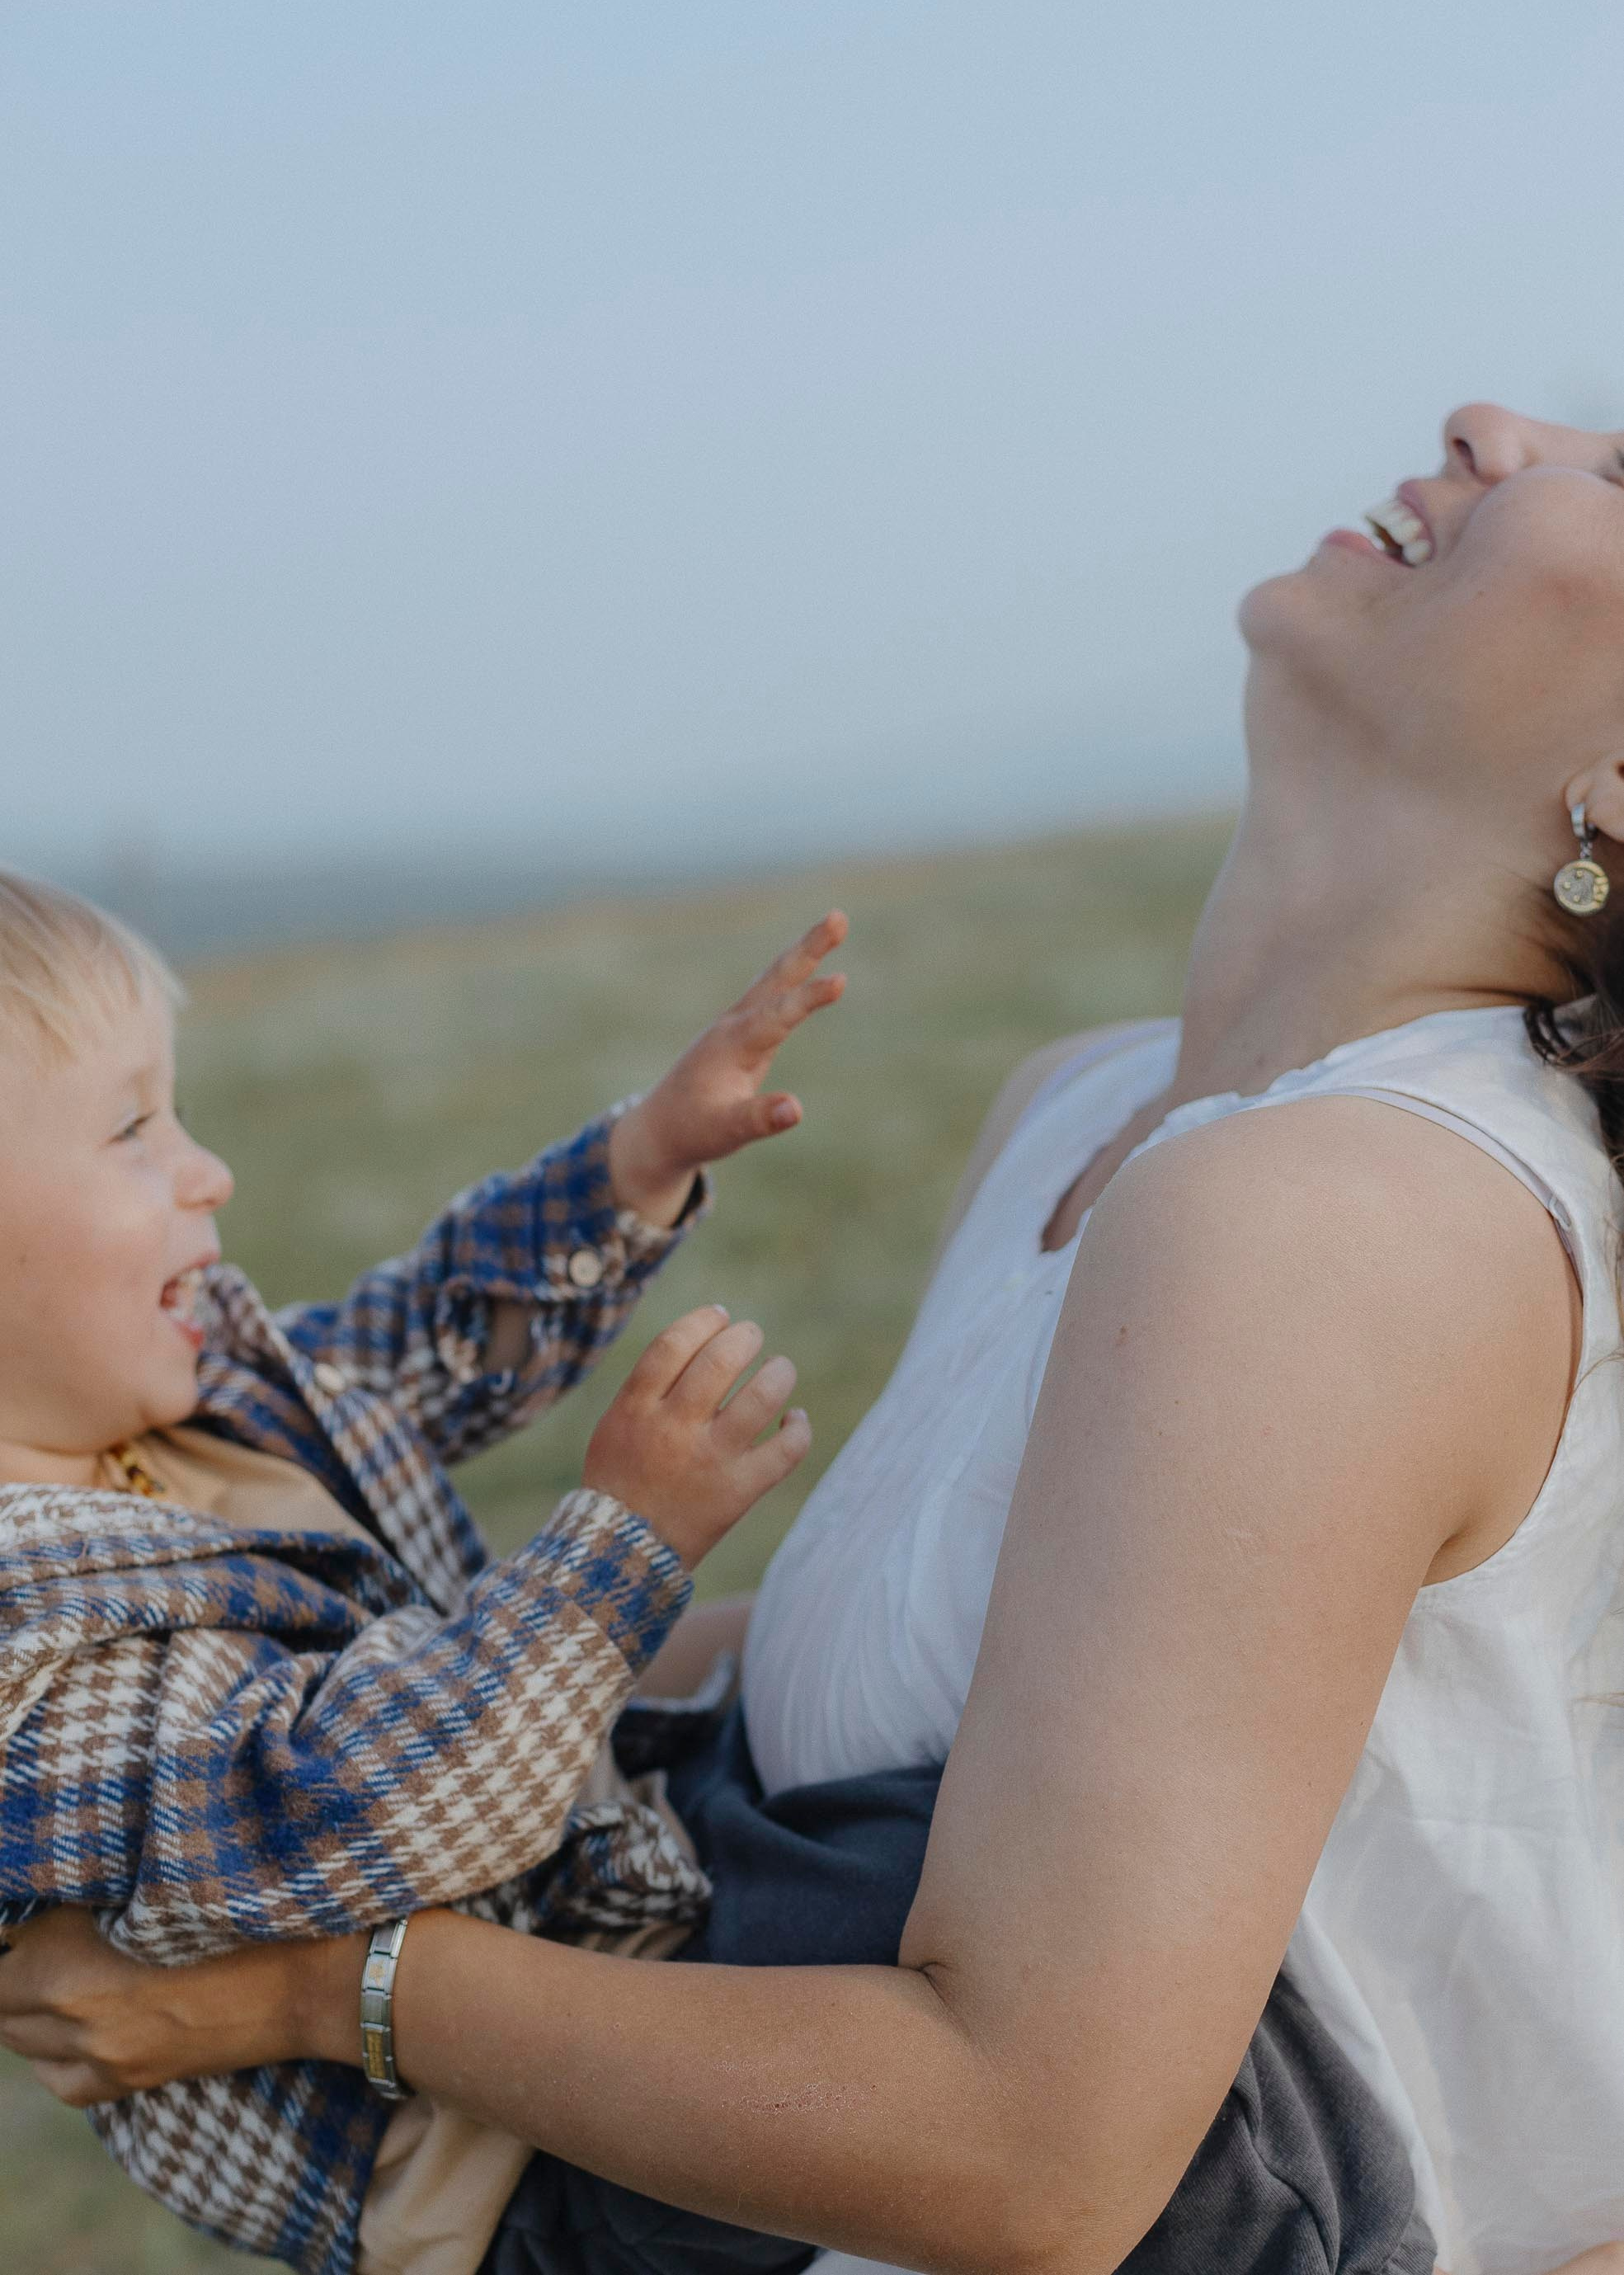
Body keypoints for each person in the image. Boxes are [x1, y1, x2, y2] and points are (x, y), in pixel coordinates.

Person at [9, 399, 1624, 2275]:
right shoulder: (1086, 1106)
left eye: (1614, 472)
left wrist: (324, 1987)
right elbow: (938, 1684)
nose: (1489, 422)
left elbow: (1036, 2158)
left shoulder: (1334, 1220)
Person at [0, 879, 845, 2273]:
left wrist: (633, 1162)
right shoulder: (29, 1648)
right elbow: (352, 1795)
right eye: (132, 1125)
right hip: (540, 2169)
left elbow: (413, 1349)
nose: (206, 1171)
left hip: (621, 1921)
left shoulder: (180, 1401)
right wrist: (621, 1543)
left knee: (964, 1825)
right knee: (977, 2017)